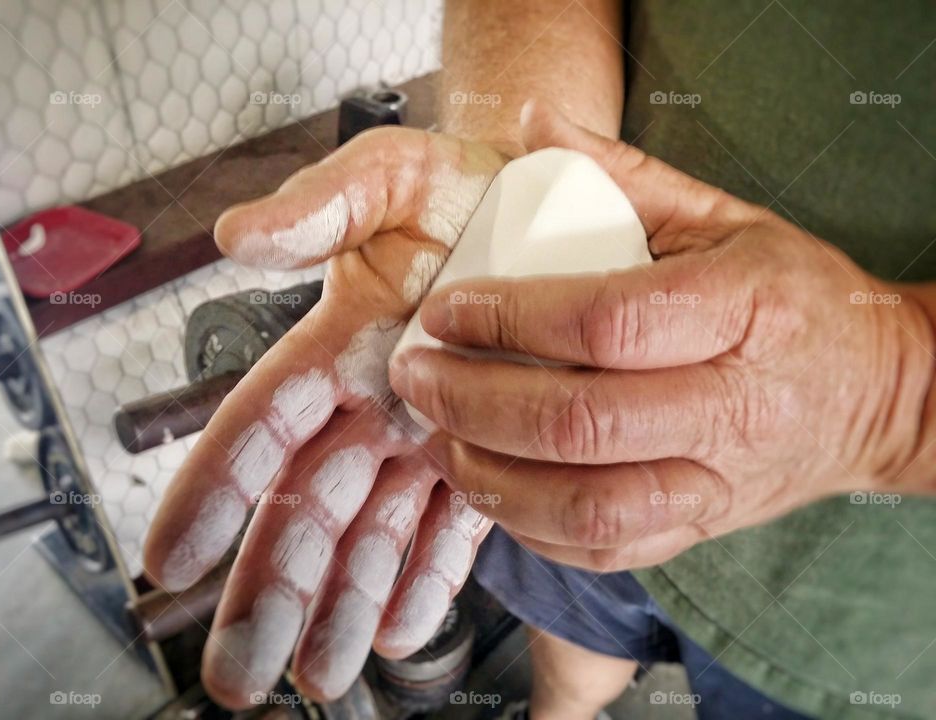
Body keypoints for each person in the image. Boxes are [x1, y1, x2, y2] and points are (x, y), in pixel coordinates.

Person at [144, 1, 936, 718]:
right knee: (570, 623)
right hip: (557, 421)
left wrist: (894, 397)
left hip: (860, 620)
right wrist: (510, 154)